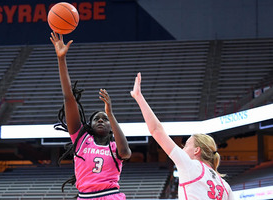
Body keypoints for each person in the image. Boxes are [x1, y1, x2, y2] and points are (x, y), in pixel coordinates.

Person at [50, 31, 132, 200]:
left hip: (110, 195)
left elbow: (125, 152)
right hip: (84, 197)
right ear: (90, 125)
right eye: (97, 118)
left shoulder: (116, 147)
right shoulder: (81, 139)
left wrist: (110, 112)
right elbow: (68, 97)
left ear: (111, 127)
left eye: (105, 119)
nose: (101, 119)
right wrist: (61, 59)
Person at [130, 72, 235, 200]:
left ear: (197, 150)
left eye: (186, 145)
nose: (182, 149)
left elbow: (156, 130)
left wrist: (138, 97)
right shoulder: (225, 186)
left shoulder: (190, 166)